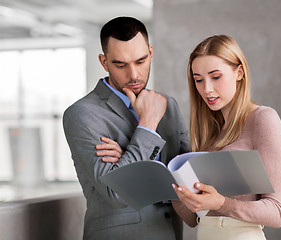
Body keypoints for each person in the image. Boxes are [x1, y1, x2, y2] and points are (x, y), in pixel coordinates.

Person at [63, 16, 190, 240]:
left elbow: (189, 175)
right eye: (121, 65)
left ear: (151, 53)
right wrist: (148, 125)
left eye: (140, 61)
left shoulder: (168, 106)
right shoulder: (82, 114)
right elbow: (118, 192)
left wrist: (127, 160)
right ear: (104, 62)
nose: (133, 75)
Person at [169, 35, 281, 239]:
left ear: (239, 72)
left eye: (215, 77)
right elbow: (192, 219)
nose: (206, 89)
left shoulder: (262, 119)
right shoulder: (211, 132)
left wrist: (222, 203)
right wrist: (172, 189)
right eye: (199, 80)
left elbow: (277, 212)